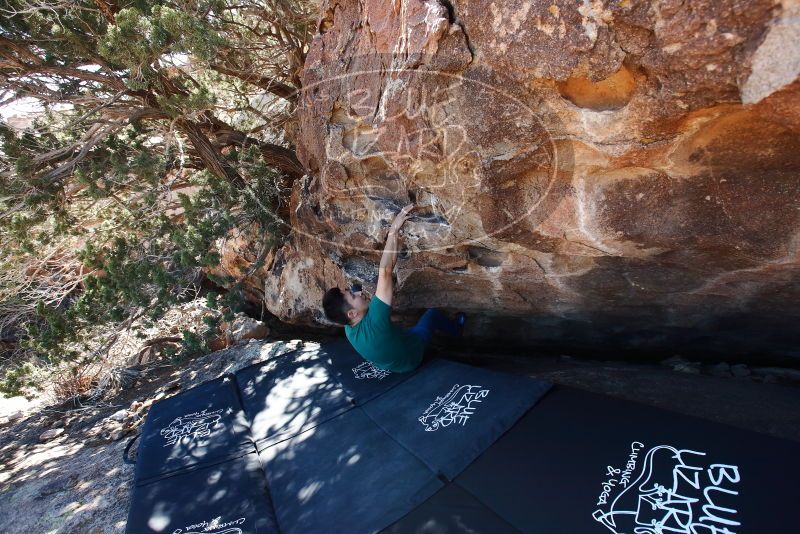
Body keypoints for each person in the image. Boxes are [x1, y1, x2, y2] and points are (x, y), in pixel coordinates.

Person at [322, 203, 466, 372]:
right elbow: (385, 272)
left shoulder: (348, 326)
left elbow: (379, 277)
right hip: (411, 357)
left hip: (391, 364)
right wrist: (393, 231)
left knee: (398, 325)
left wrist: (352, 294)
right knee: (431, 315)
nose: (359, 293)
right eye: (353, 296)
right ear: (352, 313)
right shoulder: (376, 321)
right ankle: (456, 330)